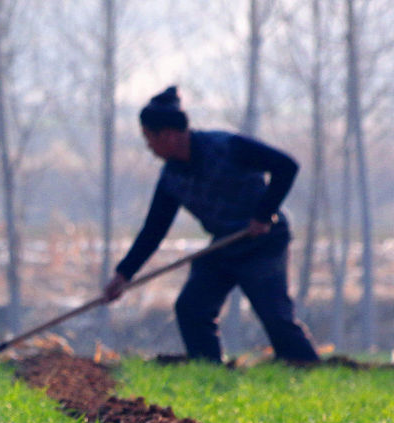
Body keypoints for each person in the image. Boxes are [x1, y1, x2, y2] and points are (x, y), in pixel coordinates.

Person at [103, 86, 319, 363]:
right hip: (224, 245)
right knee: (191, 308)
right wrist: (123, 275)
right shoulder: (171, 178)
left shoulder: (227, 147)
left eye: (149, 138)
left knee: (275, 317)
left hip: (264, 243)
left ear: (167, 135)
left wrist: (263, 215)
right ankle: (209, 369)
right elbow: (154, 230)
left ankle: (307, 367)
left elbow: (286, 166)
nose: (149, 147)